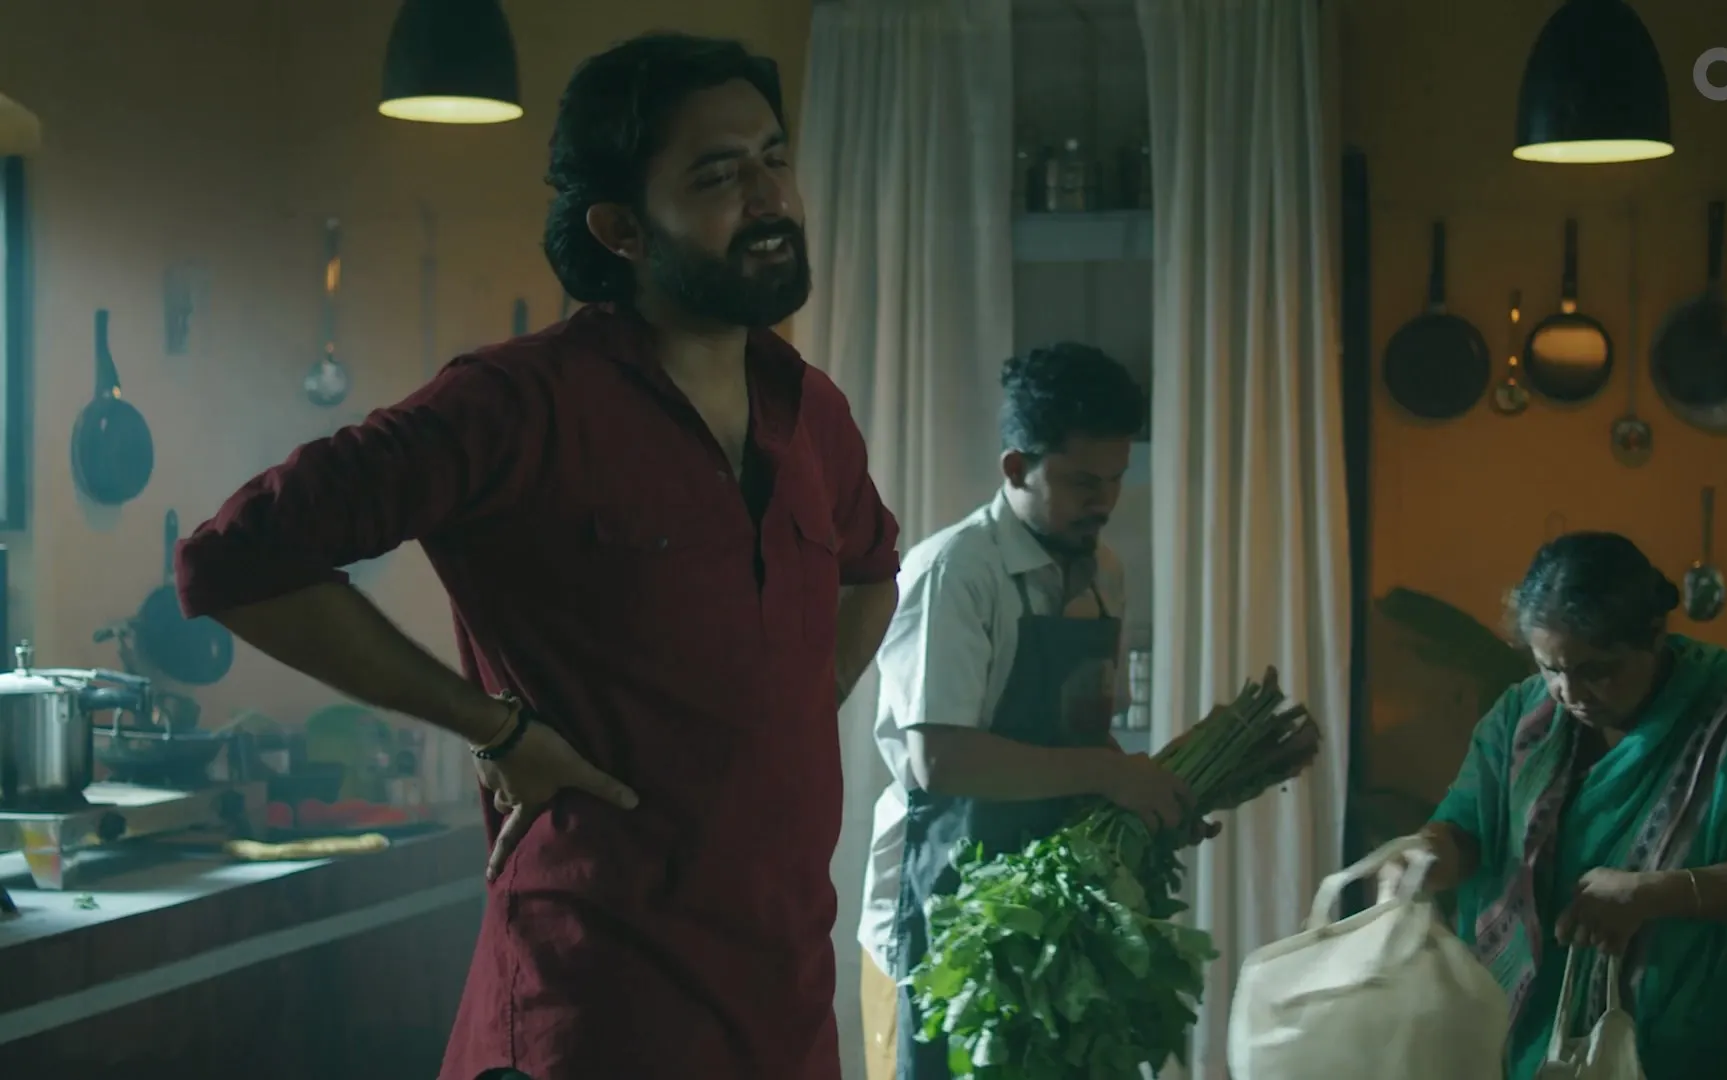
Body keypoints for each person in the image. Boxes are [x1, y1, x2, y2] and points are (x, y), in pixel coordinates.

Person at [173, 33, 902, 1080]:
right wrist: (494, 726)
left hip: (786, 1014)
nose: (770, 197)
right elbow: (234, 559)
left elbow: (873, 569)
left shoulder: (810, 409)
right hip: (591, 1014)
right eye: (718, 175)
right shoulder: (519, 404)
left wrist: (790, 702)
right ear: (621, 229)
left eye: (773, 157)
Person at [1382, 532, 1727, 1079]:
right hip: (1545, 1042)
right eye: (1549, 668)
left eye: (1598, 670)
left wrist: (1650, 893)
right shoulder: (1521, 720)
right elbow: (1465, 829)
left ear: (1654, 635)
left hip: (1708, 1045)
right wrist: (1426, 856)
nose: (1570, 693)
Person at [855, 343, 1203, 1080]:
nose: (1104, 502)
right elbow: (939, 759)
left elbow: (1083, 734)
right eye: (1082, 482)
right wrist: (1110, 776)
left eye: (1116, 479)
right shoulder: (955, 570)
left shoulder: (1105, 571)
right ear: (1016, 468)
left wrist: (1145, 796)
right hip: (937, 910)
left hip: (1046, 912)